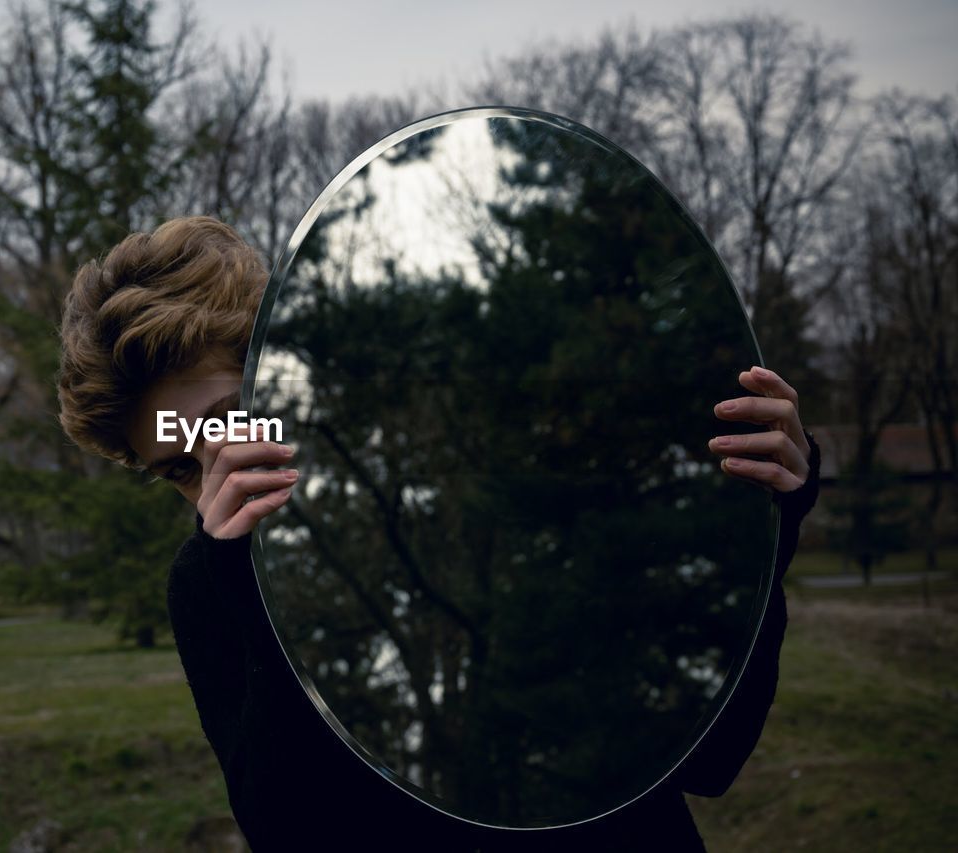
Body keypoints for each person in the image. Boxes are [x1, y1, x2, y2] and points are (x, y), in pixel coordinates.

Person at [57, 216, 821, 851]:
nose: (217, 470)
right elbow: (288, 832)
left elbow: (712, 753)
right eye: (179, 465)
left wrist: (761, 521)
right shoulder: (208, 581)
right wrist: (249, 587)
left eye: (227, 419)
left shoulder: (480, 475)